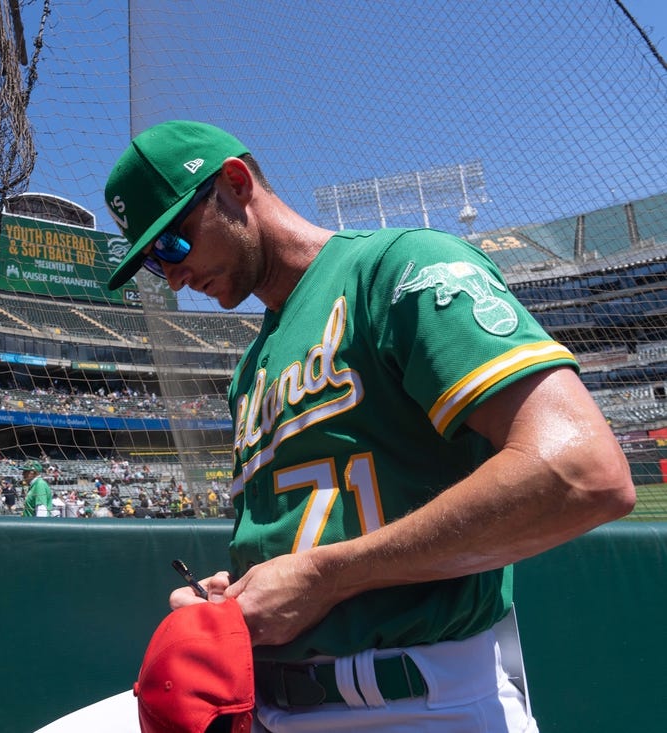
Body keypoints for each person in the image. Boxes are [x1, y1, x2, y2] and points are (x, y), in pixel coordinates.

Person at [43, 120, 636, 732]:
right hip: (270, 705)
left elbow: (581, 472)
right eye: (149, 263)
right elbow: (310, 539)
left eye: (172, 243)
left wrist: (325, 577)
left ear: (236, 183)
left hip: (415, 704)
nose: (170, 275)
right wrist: (242, 594)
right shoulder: (250, 367)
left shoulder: (399, 267)